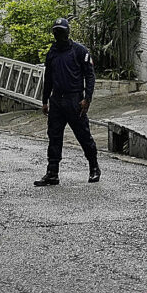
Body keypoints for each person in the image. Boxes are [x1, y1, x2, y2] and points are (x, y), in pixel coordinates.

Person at [34, 18, 101, 186]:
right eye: (56, 32)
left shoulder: (79, 51)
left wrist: (87, 99)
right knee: (54, 136)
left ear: (67, 32)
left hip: (74, 100)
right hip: (57, 100)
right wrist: (44, 100)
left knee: (83, 135)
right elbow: (48, 78)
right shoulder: (52, 52)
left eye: (61, 32)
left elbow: (90, 75)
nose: (59, 35)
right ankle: (52, 173)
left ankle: (94, 167)